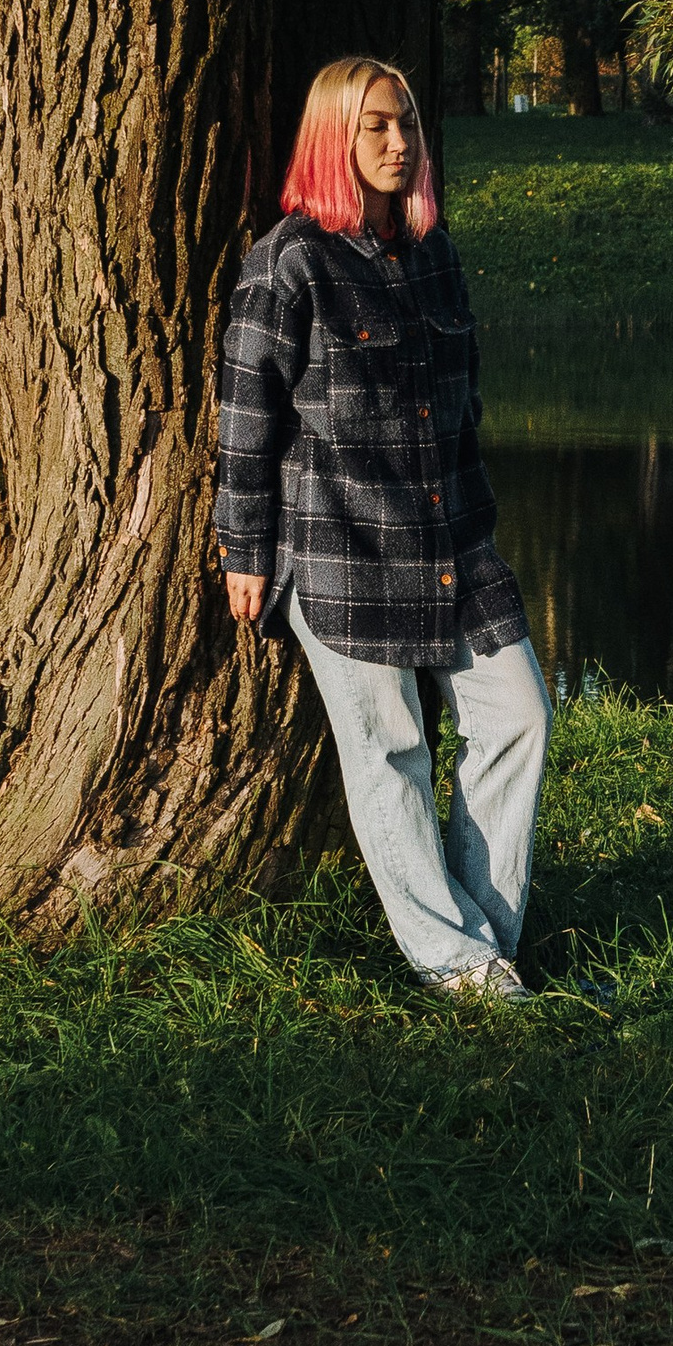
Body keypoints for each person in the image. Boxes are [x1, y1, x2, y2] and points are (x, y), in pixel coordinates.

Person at [215, 55, 552, 999]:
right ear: (336, 138)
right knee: (392, 754)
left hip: (455, 544)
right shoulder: (288, 261)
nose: (400, 142)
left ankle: (484, 936)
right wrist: (244, 551)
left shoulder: (432, 251)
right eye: (377, 127)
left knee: (520, 719)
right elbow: (247, 416)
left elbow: (465, 403)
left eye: (407, 122)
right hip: (342, 550)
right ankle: (458, 967)